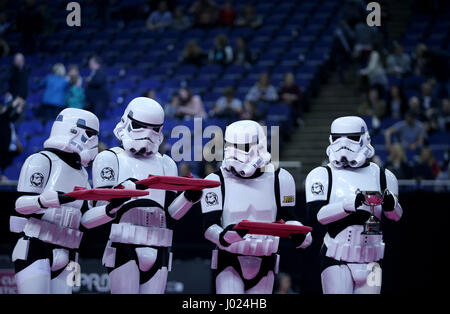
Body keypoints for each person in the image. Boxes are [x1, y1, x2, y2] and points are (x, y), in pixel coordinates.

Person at [81, 97, 202, 294]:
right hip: (124, 242)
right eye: (140, 126)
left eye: (154, 128)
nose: (147, 134)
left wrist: (189, 198)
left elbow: (171, 214)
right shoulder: (110, 158)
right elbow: (89, 219)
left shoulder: (167, 163)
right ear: (126, 122)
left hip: (159, 243)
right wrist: (113, 206)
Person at [196, 120, 312, 293]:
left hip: (265, 260)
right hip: (229, 260)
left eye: (243, 146)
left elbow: (288, 216)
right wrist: (225, 236)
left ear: (260, 145)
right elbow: (209, 226)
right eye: (232, 145)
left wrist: (300, 232)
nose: (236, 152)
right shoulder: (215, 180)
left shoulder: (281, 178)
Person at [305, 116, 403, 294]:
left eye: (351, 137)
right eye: (338, 138)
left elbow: (396, 216)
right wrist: (346, 205)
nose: (344, 145)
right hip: (337, 257)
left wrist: (391, 205)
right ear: (331, 140)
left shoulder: (384, 176)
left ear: (364, 138)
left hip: (372, 260)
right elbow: (316, 215)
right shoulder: (322, 174)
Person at [10, 108, 99, 294]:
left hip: (69, 252)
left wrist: (112, 209)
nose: (94, 142)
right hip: (36, 245)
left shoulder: (82, 174)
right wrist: (45, 201)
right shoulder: (41, 161)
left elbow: (85, 219)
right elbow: (20, 205)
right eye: (90, 134)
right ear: (73, 130)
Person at [0, 96, 25, 181]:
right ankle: (2, 176)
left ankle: (3, 175)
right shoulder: (2, 119)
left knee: (7, 162)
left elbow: (14, 116)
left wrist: (20, 107)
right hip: (3, 146)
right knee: (3, 162)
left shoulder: (8, 121)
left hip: (10, 147)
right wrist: (15, 102)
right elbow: (6, 114)